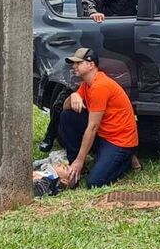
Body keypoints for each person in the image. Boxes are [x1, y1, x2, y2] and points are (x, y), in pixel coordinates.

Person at [57, 48, 139, 188]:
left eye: (78, 63)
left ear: (90, 65)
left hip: (119, 141)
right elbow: (65, 109)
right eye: (73, 63)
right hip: (104, 134)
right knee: (67, 116)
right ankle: (78, 169)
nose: (74, 66)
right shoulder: (86, 85)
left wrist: (80, 160)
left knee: (94, 183)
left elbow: (93, 127)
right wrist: (73, 96)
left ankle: (126, 159)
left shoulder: (100, 86)